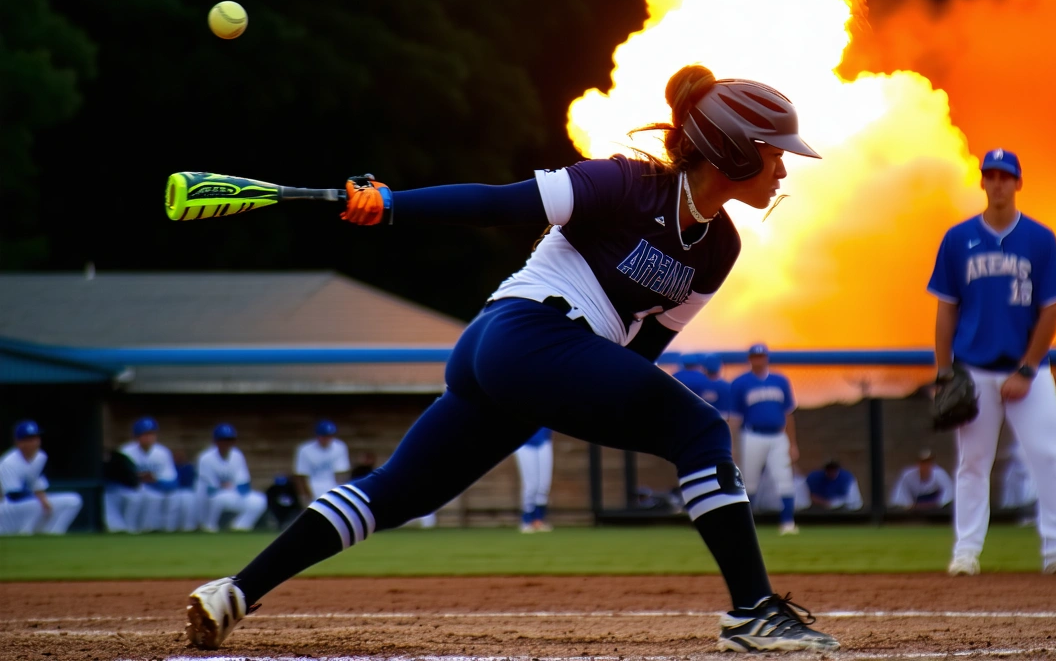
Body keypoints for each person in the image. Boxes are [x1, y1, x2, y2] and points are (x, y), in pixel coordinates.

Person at [184, 65, 837, 653]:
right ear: (731, 151)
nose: (783, 170)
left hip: (528, 362)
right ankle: (752, 612)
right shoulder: (623, 181)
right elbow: (499, 203)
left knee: (398, 492)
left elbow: (640, 354)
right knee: (699, 430)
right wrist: (389, 207)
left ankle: (234, 592)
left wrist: (587, 396)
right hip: (523, 335)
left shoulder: (717, 250)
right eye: (775, 155)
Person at [927, 148, 1056, 576]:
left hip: (1030, 370)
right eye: (991, 175)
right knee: (972, 464)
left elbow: (1052, 310)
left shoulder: (1040, 239)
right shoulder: (957, 238)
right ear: (982, 182)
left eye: (1006, 176)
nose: (998, 183)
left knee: (1045, 456)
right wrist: (943, 369)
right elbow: (946, 308)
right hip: (974, 369)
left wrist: (1026, 369)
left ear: (1018, 183)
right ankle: (965, 553)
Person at [731, 343, 802, 535]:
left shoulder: (780, 380)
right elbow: (735, 418)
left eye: (761, 356)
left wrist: (792, 443)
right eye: (755, 356)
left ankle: (788, 523)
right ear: (750, 359)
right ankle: (746, 526)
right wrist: (734, 446)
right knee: (749, 481)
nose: (758, 359)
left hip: (778, 436)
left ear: (766, 358)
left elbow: (789, 415)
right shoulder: (740, 382)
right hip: (752, 435)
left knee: (784, 479)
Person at [0, 421, 83, 535]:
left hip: (28, 503)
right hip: (7, 508)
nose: (34, 442)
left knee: (73, 501)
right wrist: (41, 501)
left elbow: (37, 485)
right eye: (29, 439)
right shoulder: (8, 462)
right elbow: (13, 495)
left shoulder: (40, 457)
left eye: (36, 437)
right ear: (19, 442)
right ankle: (24, 533)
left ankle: (53, 534)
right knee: (37, 505)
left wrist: (45, 501)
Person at [107, 417, 179, 533]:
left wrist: (155, 480)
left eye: (151, 434)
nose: (149, 437)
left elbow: (171, 480)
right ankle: (129, 529)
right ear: (136, 436)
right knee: (136, 497)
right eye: (145, 434)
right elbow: (119, 476)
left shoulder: (162, 452)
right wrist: (138, 478)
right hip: (126, 488)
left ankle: (149, 528)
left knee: (157, 497)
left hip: (153, 487)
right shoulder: (125, 451)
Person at [196, 424, 268, 533]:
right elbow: (211, 487)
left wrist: (235, 487)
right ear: (216, 441)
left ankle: (240, 526)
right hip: (208, 496)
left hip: (231, 492)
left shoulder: (237, 455)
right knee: (218, 498)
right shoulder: (205, 457)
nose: (226, 443)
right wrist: (227, 486)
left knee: (259, 500)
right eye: (223, 440)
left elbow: (243, 482)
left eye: (229, 440)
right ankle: (209, 526)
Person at [294, 420, 351, 503]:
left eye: (330, 436)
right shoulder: (305, 450)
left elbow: (341, 472)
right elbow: (301, 475)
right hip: (313, 489)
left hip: (333, 489)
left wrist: (341, 493)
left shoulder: (339, 447)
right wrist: (305, 495)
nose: (327, 439)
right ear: (318, 436)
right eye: (324, 436)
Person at [515, 428, 554, 532]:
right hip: (525, 444)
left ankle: (539, 519)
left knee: (543, 484)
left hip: (543, 440)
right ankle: (526, 520)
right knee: (531, 484)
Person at [889, 449, 954, 511]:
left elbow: (949, 492)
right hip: (915, 504)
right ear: (918, 463)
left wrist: (939, 504)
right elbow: (900, 493)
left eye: (928, 462)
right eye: (923, 462)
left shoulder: (939, 473)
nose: (925, 465)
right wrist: (909, 506)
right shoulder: (907, 475)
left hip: (935, 504)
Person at [167, 449, 200, 532]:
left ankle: (188, 527)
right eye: (177, 456)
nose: (179, 458)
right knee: (173, 505)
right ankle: (170, 527)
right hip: (173, 491)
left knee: (188, 502)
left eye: (181, 456)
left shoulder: (189, 467)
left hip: (187, 491)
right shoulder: (171, 467)